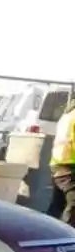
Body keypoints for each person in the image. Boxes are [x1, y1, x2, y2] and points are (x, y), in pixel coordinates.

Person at [53, 96, 75, 224]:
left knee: (57, 206)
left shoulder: (68, 113)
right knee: (72, 208)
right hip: (69, 167)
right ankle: (68, 239)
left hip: (60, 165)